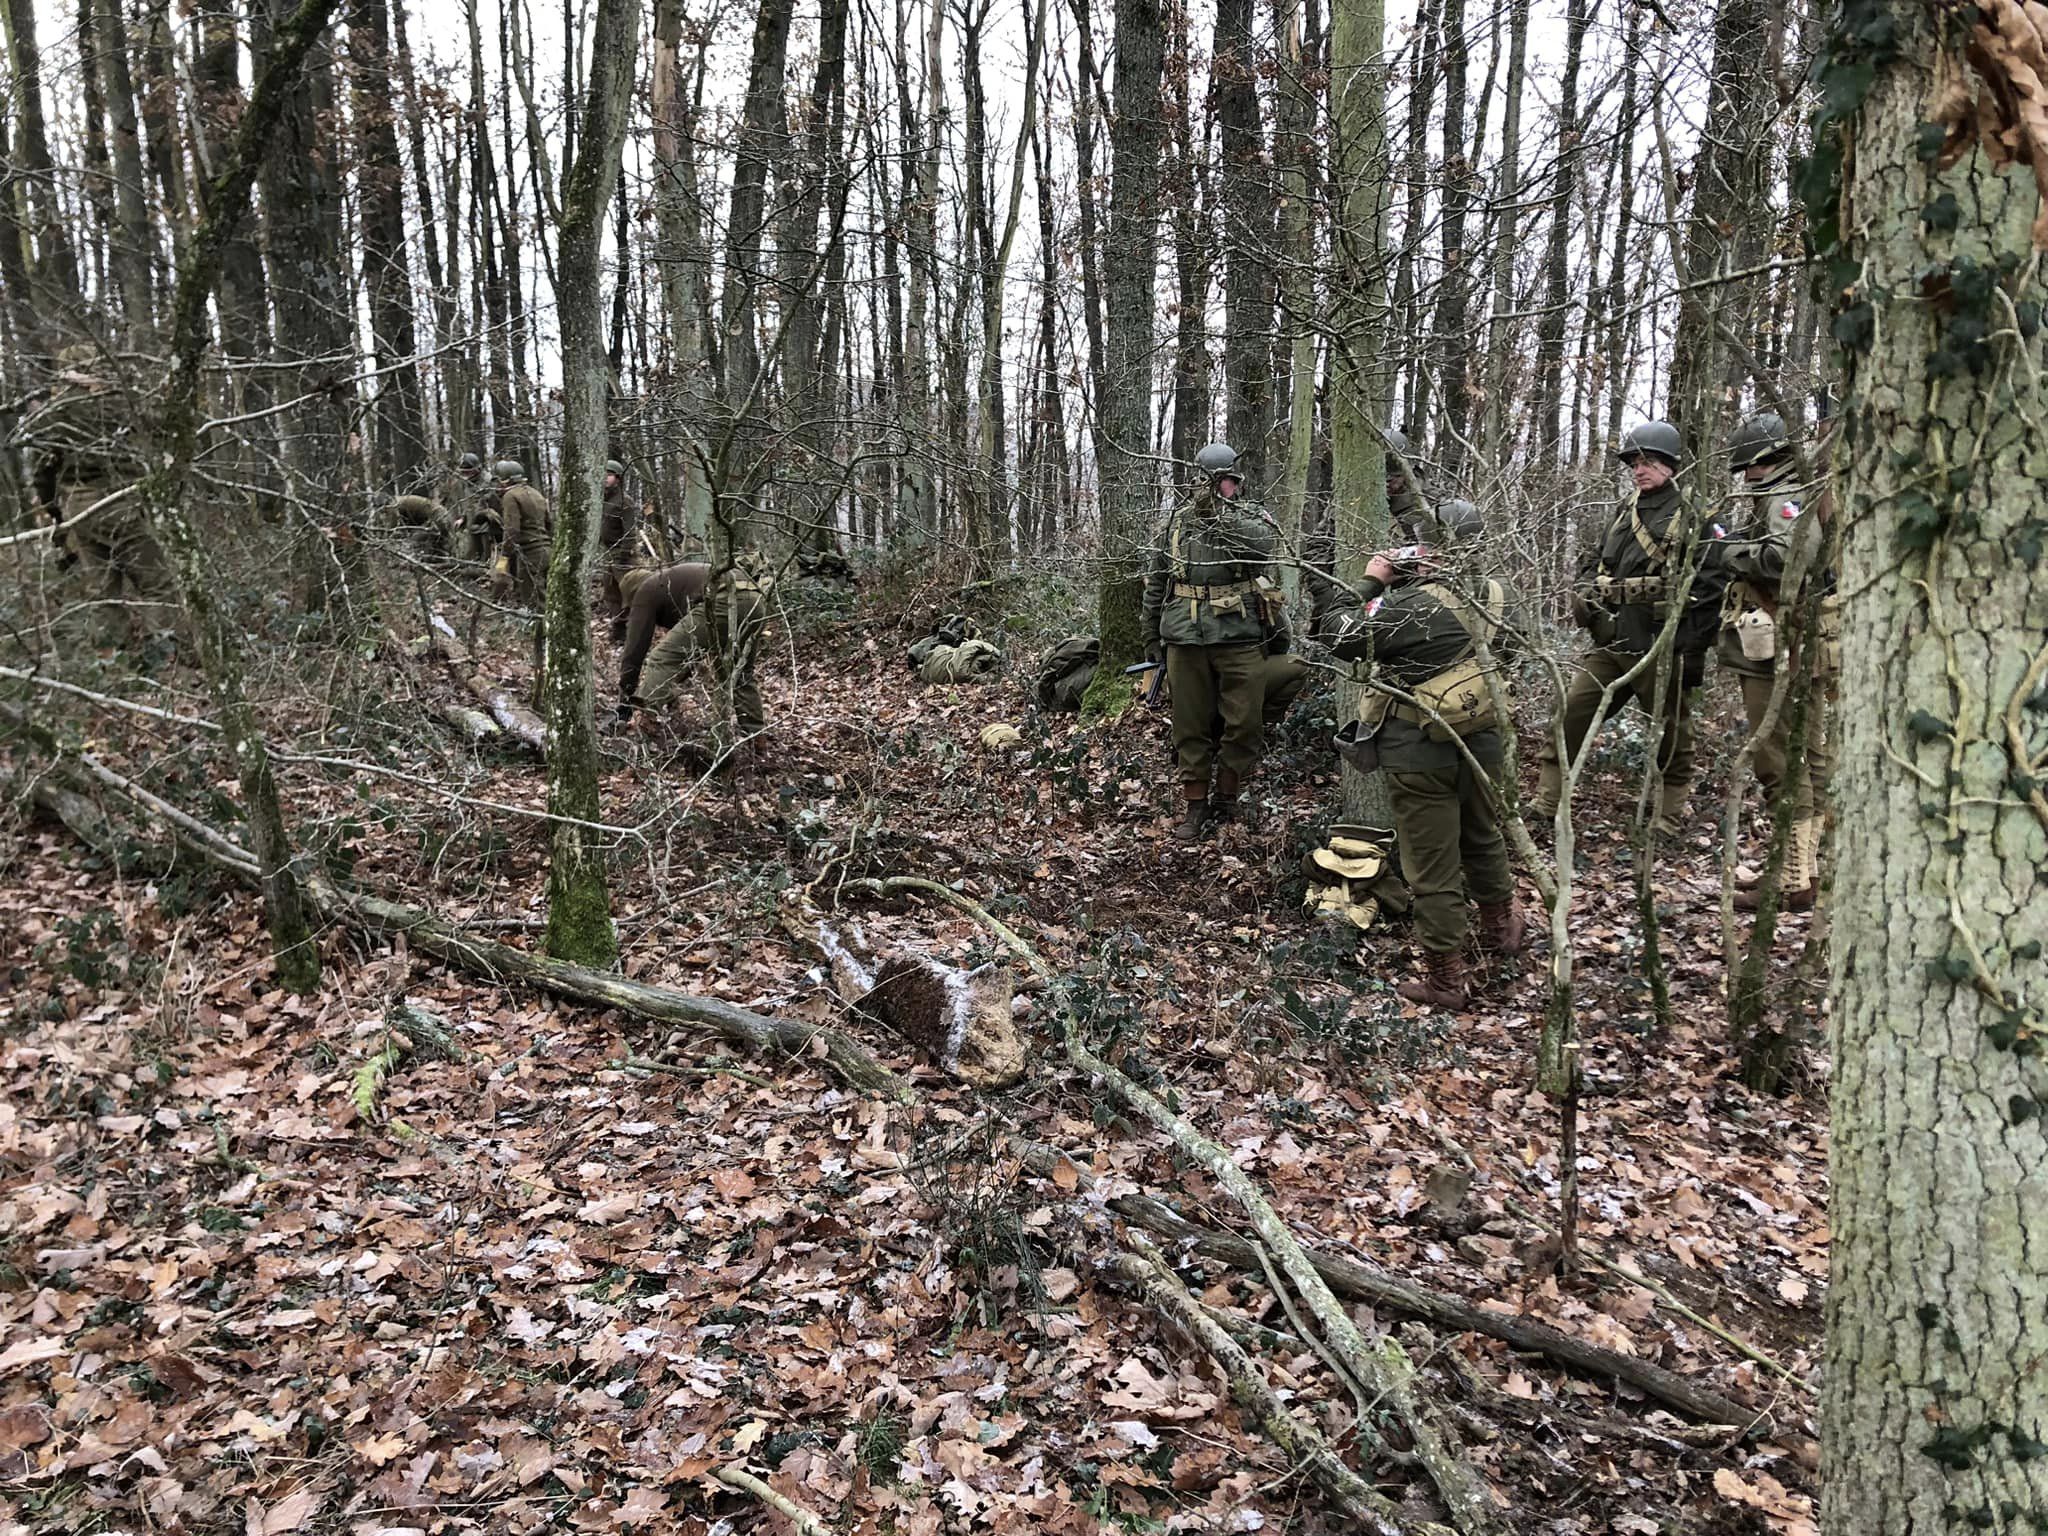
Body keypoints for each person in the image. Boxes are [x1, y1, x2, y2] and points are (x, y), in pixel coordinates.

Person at [1328, 499, 1524, 1006]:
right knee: (1482, 834)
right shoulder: (1499, 594)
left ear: (1433, 551)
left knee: (1432, 866)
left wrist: (1371, 581)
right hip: (1485, 739)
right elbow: (1515, 653)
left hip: (1420, 752)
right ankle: (1501, 929)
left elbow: (1337, 633)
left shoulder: (1411, 608)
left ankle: (1445, 980)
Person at [1532, 420, 1703, 835]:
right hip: (1611, 640)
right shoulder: (1624, 510)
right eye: (1634, 463)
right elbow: (1593, 560)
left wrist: (1689, 647)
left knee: (1670, 732)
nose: (1638, 470)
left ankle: (1669, 814)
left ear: (1669, 465)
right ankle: (1547, 801)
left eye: (1647, 462)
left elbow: (1706, 586)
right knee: (1570, 712)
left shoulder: (1690, 515)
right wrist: (1587, 591)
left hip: (1658, 644)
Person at [1714, 413, 1834, 911]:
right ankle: (1805, 870)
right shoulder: (1793, 490)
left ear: (1764, 459)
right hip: (1795, 641)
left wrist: (1727, 551)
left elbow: (1787, 560)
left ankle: (1792, 879)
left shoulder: (1787, 496)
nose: (1745, 476)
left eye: (1748, 466)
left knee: (1779, 759)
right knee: (1806, 756)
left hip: (1780, 645)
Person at [1141, 441, 1281, 840]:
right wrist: (1150, 633)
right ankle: (1195, 805)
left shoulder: (1251, 516)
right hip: (1184, 637)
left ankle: (1227, 796)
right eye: (1212, 482)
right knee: (1189, 725)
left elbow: (1261, 548)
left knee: (1244, 722)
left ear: (1237, 483)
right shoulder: (1175, 523)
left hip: (1239, 635)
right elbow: (1157, 582)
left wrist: (1219, 515)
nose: (1221, 488)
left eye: (1226, 482)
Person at [27, 344, 168, 643]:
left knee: (103, 593)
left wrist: (57, 515)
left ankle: (115, 659)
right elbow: (162, 426)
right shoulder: (115, 401)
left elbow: (42, 474)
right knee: (157, 584)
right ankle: (170, 653)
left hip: (78, 510)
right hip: (119, 501)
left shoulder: (53, 413)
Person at [1304, 426, 1429, 641]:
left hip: (1406, 604)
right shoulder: (1351, 498)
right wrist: (1325, 593)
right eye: (1381, 477)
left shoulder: (1427, 505)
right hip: (1353, 595)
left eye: (1392, 478)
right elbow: (1318, 546)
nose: (1386, 484)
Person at [614, 562, 713, 720]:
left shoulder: (646, 590)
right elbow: (689, 653)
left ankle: (645, 719)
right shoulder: (672, 587)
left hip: (721, 598)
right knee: (743, 675)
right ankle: (751, 730)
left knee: (661, 657)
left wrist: (626, 697)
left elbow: (635, 650)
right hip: (748, 595)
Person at [490, 460, 551, 700]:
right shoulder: (536, 493)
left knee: (535, 603)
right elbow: (550, 524)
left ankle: (542, 647)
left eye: (499, 480)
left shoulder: (510, 496)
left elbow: (512, 530)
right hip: (548, 551)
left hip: (530, 555)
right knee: (547, 598)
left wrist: (505, 557)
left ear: (505, 480)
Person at [598, 458, 638, 643]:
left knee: (629, 594)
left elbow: (630, 532)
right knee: (611, 594)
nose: (605, 478)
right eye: (603, 474)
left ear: (618, 478)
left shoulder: (625, 501)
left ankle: (634, 631)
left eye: (609, 475)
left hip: (623, 556)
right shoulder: (602, 500)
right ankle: (618, 631)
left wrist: (623, 555)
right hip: (608, 553)